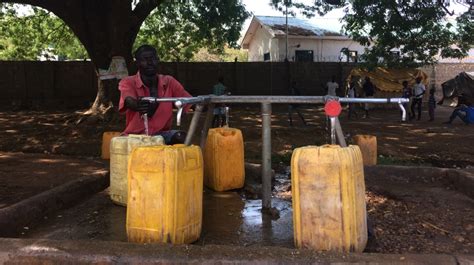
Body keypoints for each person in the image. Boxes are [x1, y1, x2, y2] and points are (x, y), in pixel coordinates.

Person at [118, 44, 192, 144]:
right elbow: (129, 100)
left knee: (182, 137)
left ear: (157, 60)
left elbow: (189, 101)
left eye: (152, 59)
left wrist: (206, 103)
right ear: (137, 63)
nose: (150, 63)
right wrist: (138, 105)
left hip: (161, 135)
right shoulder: (128, 82)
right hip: (136, 137)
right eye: (144, 59)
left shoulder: (169, 82)